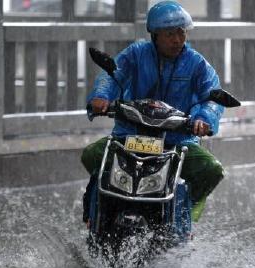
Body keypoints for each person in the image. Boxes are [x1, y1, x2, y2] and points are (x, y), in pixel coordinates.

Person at [81, 1, 225, 224]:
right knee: (92, 155)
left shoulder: (197, 64)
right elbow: (112, 77)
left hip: (178, 141)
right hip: (128, 136)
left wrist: (204, 119)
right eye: (169, 34)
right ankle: (94, 211)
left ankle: (186, 207)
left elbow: (212, 97)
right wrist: (101, 98)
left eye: (181, 32)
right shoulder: (136, 53)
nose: (177, 39)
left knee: (211, 169)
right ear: (155, 35)